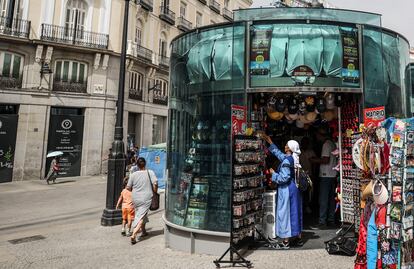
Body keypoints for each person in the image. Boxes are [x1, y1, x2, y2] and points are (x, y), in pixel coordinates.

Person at [263, 134, 303, 249]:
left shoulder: (286, 161)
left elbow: (283, 178)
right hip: (294, 189)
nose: (285, 146)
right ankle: (297, 237)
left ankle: (285, 241)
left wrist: (273, 174)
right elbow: (280, 155)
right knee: (295, 212)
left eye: (286, 145)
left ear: (289, 148)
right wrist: (271, 143)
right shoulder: (293, 158)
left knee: (285, 214)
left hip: (287, 190)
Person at [127, 157, 158, 244]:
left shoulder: (133, 174)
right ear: (145, 164)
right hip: (146, 197)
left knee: (141, 214)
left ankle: (143, 231)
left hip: (135, 198)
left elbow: (128, 187)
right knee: (140, 216)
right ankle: (134, 234)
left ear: (137, 165)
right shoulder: (150, 172)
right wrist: (155, 192)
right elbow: (155, 183)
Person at [311, 127, 338, 228]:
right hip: (332, 174)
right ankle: (330, 220)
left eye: (317, 135)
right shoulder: (331, 143)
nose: (316, 137)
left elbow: (325, 160)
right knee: (331, 199)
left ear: (320, 135)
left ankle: (322, 221)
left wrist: (314, 160)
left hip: (326, 175)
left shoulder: (326, 144)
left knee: (323, 199)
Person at [299, 137, 317, 214]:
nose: (304, 144)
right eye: (303, 142)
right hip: (300, 175)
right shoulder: (298, 152)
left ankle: (307, 206)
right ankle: (302, 206)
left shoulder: (311, 152)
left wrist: (314, 173)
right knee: (301, 191)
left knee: (309, 191)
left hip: (309, 174)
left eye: (306, 142)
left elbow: (314, 164)